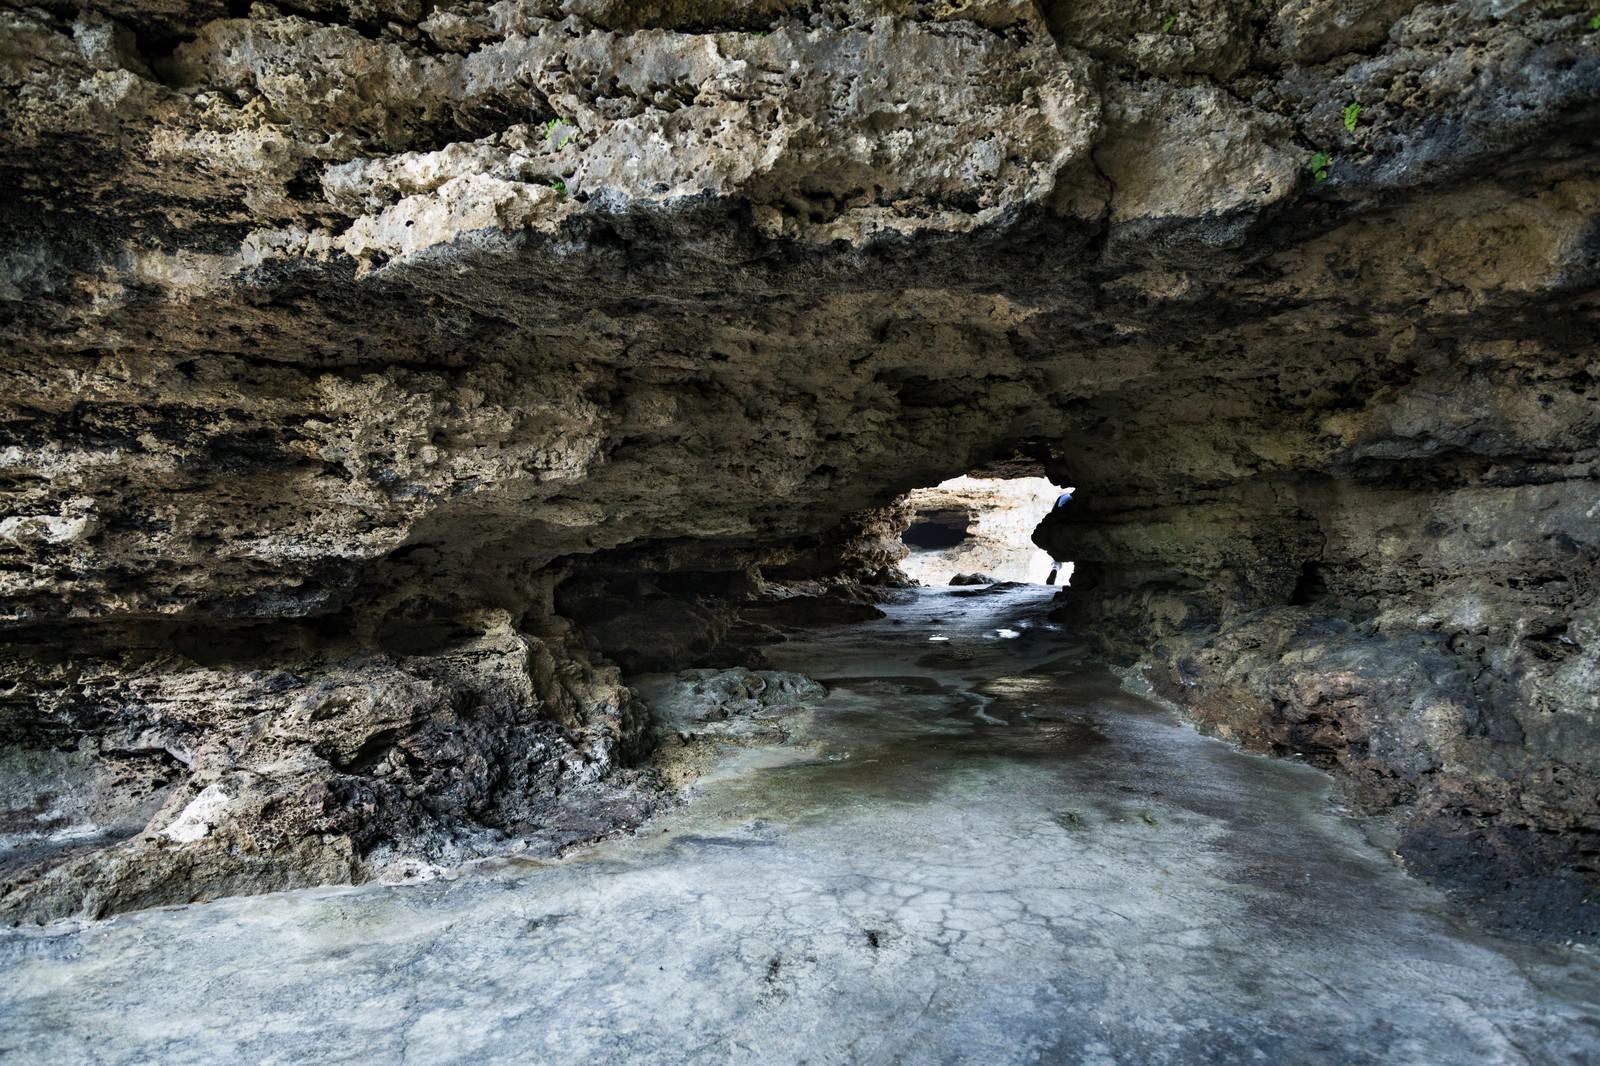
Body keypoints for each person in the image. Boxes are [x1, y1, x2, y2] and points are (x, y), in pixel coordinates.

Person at [1044, 487, 1074, 585]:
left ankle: (1055, 568)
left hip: (1060, 525)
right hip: (1073, 523)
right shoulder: (1079, 498)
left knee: (1056, 550)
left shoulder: (1063, 496)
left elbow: (1053, 515)